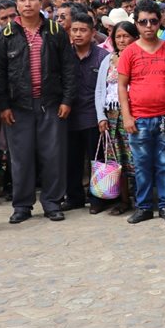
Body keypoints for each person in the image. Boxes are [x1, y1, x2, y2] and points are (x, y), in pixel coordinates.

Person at [0, 0, 78, 223]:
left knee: (53, 155)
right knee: (21, 157)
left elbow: (69, 69)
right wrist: (3, 105)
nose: (27, 4)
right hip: (18, 106)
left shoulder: (55, 30)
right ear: (16, 4)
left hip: (51, 103)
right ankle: (22, 205)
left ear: (41, 2)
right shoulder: (6, 35)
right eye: (22, 0)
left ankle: (52, 202)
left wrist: (67, 100)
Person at [119, 0, 165, 224]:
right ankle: (144, 207)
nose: (148, 26)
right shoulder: (129, 52)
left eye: (153, 21)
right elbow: (122, 86)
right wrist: (127, 116)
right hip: (139, 119)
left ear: (160, 22)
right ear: (136, 24)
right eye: (143, 22)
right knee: (142, 166)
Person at [63, 12, 109, 211]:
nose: (78, 34)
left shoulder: (102, 57)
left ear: (92, 33)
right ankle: (74, 198)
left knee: (97, 160)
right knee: (71, 160)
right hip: (69, 116)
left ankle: (98, 199)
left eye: (83, 30)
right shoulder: (64, 55)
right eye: (74, 30)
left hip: (93, 117)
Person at [95, 21, 138, 215]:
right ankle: (123, 200)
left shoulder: (138, 56)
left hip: (134, 114)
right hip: (112, 115)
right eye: (118, 36)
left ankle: (142, 199)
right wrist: (101, 117)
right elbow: (100, 90)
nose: (122, 40)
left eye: (126, 36)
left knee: (137, 158)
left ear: (134, 37)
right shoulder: (108, 60)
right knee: (117, 159)